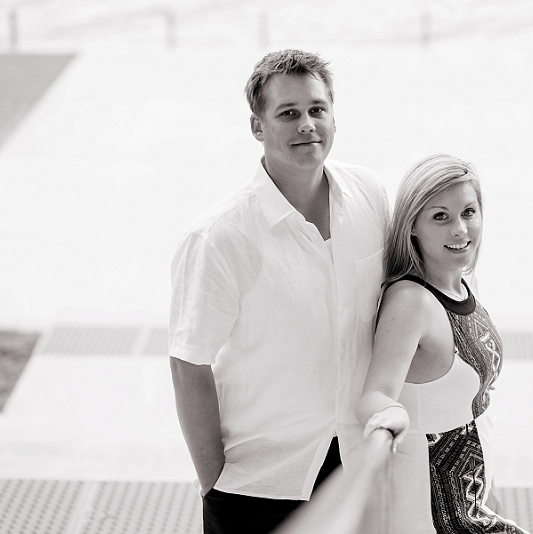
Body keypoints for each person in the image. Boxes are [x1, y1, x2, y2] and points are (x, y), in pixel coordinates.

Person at [169, 49, 388, 534]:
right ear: (257, 126)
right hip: (259, 485)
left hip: (354, 465)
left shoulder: (370, 196)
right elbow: (189, 363)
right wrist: (214, 484)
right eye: (288, 113)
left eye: (317, 109)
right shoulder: (220, 238)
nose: (306, 124)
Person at [357, 154, 529, 534]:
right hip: (430, 509)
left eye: (469, 212)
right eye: (440, 217)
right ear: (412, 226)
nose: (460, 229)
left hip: (472, 494)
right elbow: (375, 394)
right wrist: (387, 415)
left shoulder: (464, 284)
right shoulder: (411, 301)